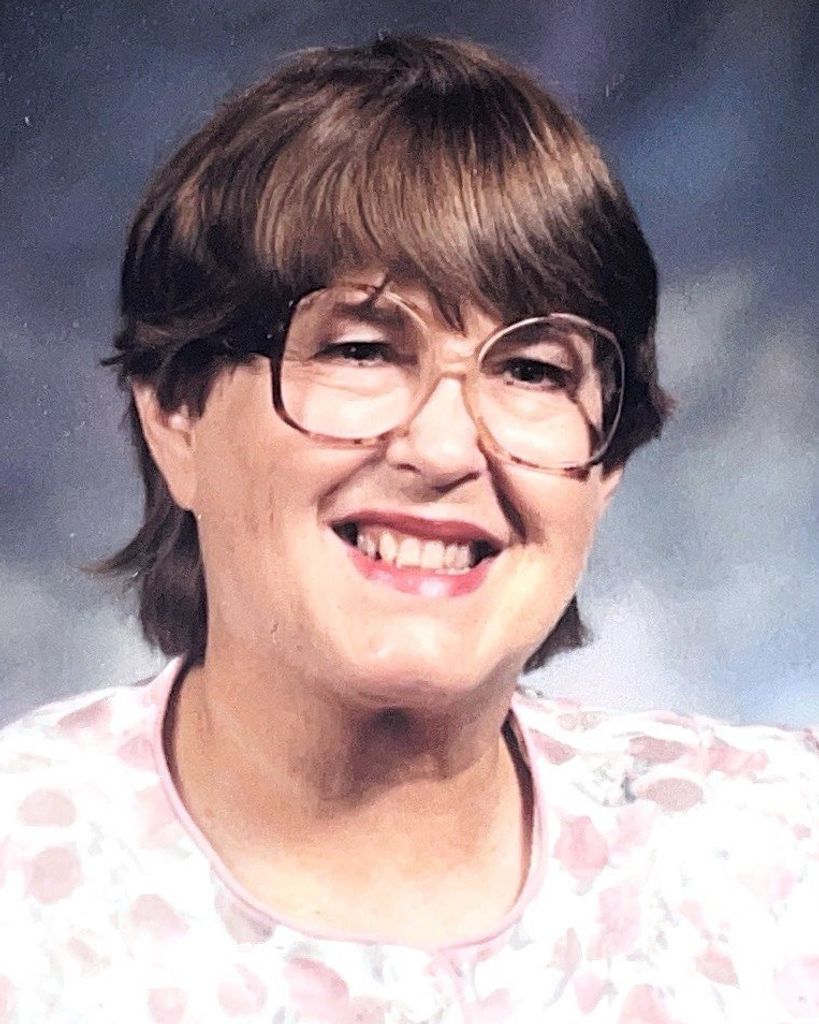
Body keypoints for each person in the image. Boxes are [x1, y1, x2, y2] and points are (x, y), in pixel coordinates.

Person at [1, 33, 817, 1024]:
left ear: (604, 467)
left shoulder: (780, 853)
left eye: (533, 371)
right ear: (176, 415)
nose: (443, 449)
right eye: (359, 350)